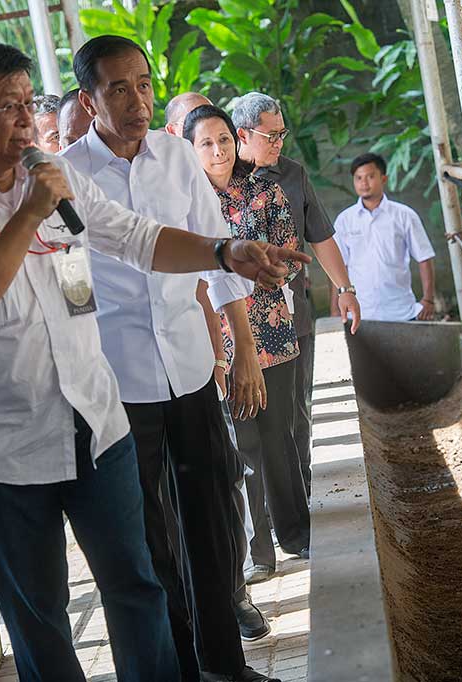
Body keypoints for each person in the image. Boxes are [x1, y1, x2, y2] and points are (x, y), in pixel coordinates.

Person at [0, 39, 308, 682]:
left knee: (136, 588)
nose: (26, 122)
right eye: (7, 108)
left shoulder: (62, 180)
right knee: (42, 622)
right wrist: (32, 211)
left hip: (97, 422)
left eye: (28, 105)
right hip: (9, 447)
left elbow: (137, 238)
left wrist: (226, 254)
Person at [62, 36, 278, 682]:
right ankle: (180, 668)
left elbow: (220, 252)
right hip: (119, 379)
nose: (137, 100)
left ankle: (226, 664)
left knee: (210, 520)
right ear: (88, 98)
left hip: (188, 368)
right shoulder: (68, 174)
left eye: (144, 84)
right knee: (149, 538)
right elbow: (72, 288)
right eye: (118, 88)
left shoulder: (177, 158)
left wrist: (242, 353)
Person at [184, 104, 310, 585]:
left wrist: (268, 269)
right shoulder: (186, 202)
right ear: (191, 150)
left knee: (279, 434)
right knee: (243, 444)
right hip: (217, 338)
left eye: (222, 140)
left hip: (271, 328)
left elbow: (291, 257)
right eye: (205, 143)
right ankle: (258, 551)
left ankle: (296, 532)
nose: (217, 151)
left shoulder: (265, 189)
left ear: (236, 141)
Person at [162, 90, 270, 643]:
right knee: (165, 506)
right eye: (196, 139)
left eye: (217, 137)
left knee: (221, 480)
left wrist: (237, 352)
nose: (210, 149)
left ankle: (232, 596)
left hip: (198, 362)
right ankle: (192, 619)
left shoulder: (206, 190)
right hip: (135, 378)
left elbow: (219, 271)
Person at [232, 92, 360, 542]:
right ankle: (260, 536)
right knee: (247, 434)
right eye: (271, 135)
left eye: (282, 133)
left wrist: (344, 289)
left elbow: (319, 236)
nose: (279, 143)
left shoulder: (291, 176)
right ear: (242, 134)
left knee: (293, 419)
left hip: (292, 319)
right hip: (234, 329)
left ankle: (299, 508)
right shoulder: (214, 185)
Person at [331, 152, 436, 322]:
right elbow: (338, 265)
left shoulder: (404, 215)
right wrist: (335, 310)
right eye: (358, 178)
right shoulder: (344, 220)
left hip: (401, 311)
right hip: (359, 313)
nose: (364, 183)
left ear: (384, 179)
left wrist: (428, 299)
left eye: (370, 176)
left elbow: (425, 258)